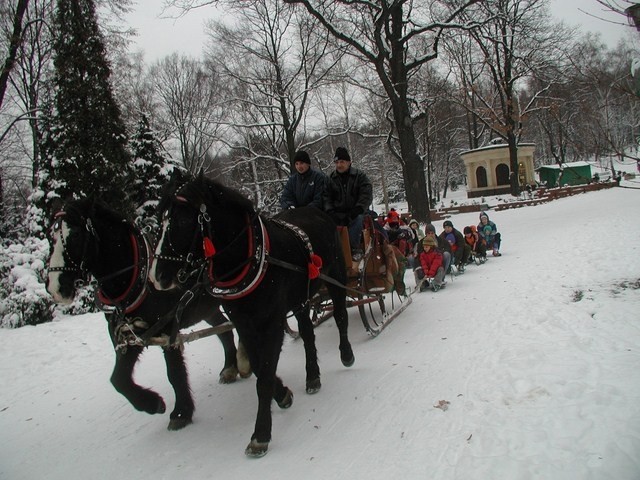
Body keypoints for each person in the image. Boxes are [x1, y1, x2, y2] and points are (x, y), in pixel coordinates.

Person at [324, 147, 373, 260]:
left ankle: (353, 248)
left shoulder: (360, 176)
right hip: (337, 213)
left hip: (355, 212)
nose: (339, 165)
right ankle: (333, 251)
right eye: (337, 162)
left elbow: (366, 194)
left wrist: (358, 208)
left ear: (349, 162)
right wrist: (330, 211)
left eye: (342, 162)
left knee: (358, 219)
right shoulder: (330, 179)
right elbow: (326, 197)